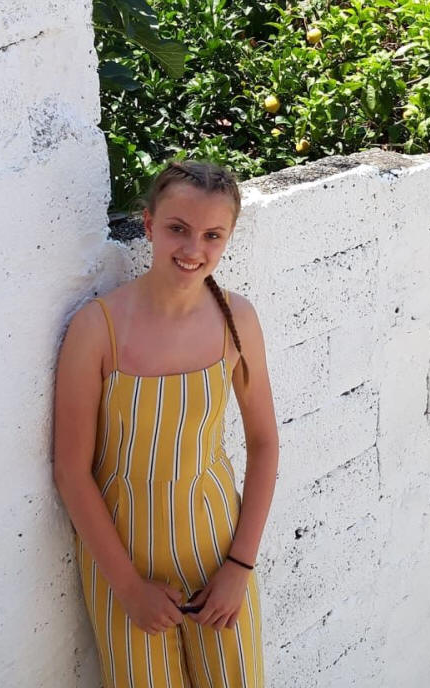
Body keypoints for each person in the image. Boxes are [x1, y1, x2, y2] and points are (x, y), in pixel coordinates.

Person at [53, 159, 279, 687]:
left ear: (228, 238)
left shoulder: (237, 320)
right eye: (178, 228)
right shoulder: (97, 329)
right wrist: (129, 588)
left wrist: (239, 567)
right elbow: (71, 470)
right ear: (150, 224)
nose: (193, 248)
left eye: (212, 235)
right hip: (122, 564)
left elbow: (264, 442)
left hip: (218, 554)